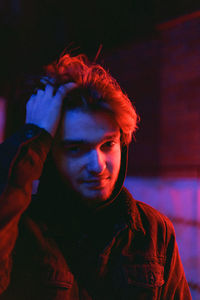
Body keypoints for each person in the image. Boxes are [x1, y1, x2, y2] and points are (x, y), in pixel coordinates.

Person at [0, 53, 191, 300]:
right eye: (76, 149)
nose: (97, 166)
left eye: (107, 144)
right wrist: (34, 135)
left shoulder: (154, 232)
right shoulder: (21, 229)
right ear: (49, 154)